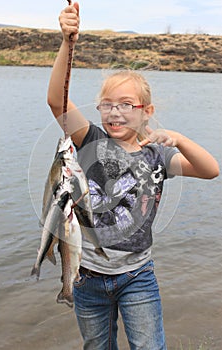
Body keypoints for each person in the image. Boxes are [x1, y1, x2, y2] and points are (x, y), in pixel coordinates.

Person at [47, 3, 219, 350]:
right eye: (107, 104)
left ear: (147, 113)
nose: (115, 112)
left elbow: (210, 170)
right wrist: (67, 42)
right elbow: (57, 102)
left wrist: (181, 139)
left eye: (127, 104)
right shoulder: (91, 141)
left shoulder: (159, 155)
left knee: (149, 346)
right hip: (87, 277)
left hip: (138, 277)